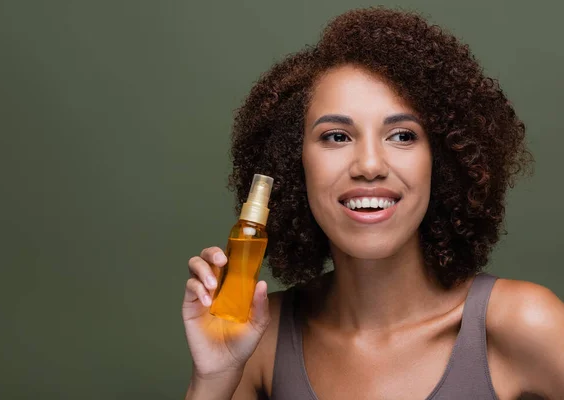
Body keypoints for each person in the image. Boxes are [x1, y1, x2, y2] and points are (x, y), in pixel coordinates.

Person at [182, 7, 564, 400]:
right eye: (336, 137)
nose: (369, 165)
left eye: (401, 135)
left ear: (444, 160)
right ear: (295, 162)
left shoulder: (524, 323)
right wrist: (214, 377)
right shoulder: (261, 336)